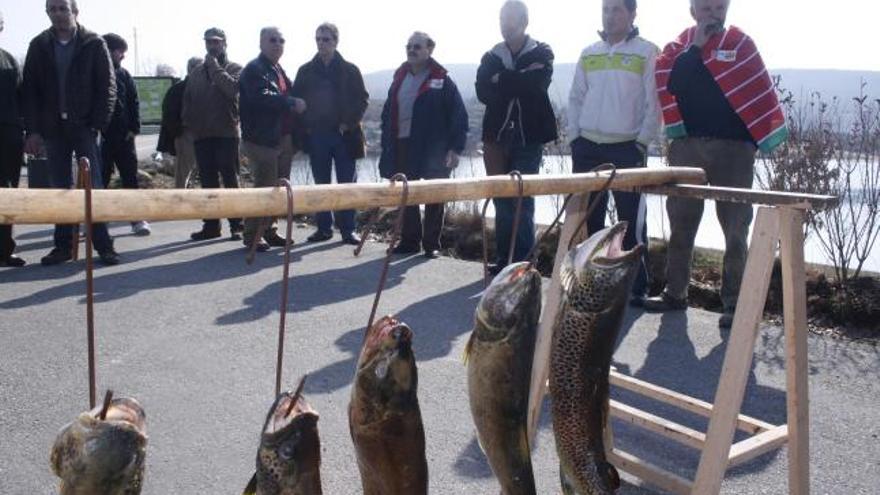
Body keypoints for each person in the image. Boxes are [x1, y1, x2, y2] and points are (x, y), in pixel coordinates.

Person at [644, 0, 787, 328]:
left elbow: (759, 94)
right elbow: (673, 85)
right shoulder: (679, 48)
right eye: (706, 7)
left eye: (720, 7)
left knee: (735, 228)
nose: (714, 13)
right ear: (693, 10)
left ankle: (735, 303)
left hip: (733, 150)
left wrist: (751, 142)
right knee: (681, 223)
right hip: (688, 147)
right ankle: (675, 293)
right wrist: (697, 47)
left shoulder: (741, 44)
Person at [566, 0, 659, 305]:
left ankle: (635, 285)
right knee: (588, 221)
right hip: (588, 147)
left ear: (632, 15)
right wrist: (575, 138)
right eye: (606, 9)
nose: (610, 15)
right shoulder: (589, 52)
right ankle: (592, 282)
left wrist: (642, 142)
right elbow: (576, 97)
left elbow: (653, 101)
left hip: (627, 147)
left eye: (617, 9)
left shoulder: (646, 51)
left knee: (630, 220)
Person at [22, 0, 120, 266]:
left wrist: (98, 124)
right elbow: (29, 91)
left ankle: (104, 246)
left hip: (85, 126)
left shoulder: (93, 43)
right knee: (59, 189)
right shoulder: (39, 45)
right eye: (52, 9)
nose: (57, 13)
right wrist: (32, 130)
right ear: (47, 14)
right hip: (53, 129)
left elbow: (107, 87)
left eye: (62, 8)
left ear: (75, 11)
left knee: (94, 187)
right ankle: (62, 247)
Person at [476, 0, 558, 274]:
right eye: (501, 20)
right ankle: (504, 260)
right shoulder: (491, 55)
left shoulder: (543, 51)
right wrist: (517, 78)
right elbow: (483, 92)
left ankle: (522, 262)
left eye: (510, 20)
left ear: (524, 22)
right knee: (501, 197)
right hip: (496, 139)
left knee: (523, 199)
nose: (504, 26)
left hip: (528, 137)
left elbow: (537, 85)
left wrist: (502, 79)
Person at [378, 31, 468, 259]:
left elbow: (459, 115)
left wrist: (455, 148)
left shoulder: (442, 79)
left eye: (417, 46)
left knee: (434, 195)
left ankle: (431, 244)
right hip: (402, 144)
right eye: (409, 46)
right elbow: (388, 112)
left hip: (434, 147)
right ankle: (409, 241)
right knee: (406, 193)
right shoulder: (399, 78)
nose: (412, 50)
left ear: (429, 50)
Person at [291, 23, 369, 245]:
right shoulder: (305, 70)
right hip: (317, 135)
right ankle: (324, 228)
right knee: (321, 184)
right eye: (318, 39)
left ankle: (348, 230)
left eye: (326, 39)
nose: (321, 43)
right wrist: (306, 127)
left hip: (344, 135)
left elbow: (362, 100)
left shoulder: (350, 70)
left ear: (336, 41)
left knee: (347, 184)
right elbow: (297, 101)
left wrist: (349, 124)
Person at [239, 27, 306, 252]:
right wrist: (290, 102)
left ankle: (269, 230)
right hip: (262, 140)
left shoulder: (277, 69)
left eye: (281, 40)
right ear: (261, 43)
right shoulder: (254, 69)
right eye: (272, 40)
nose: (278, 44)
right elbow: (260, 98)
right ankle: (252, 235)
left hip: (282, 138)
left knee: (278, 187)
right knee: (264, 188)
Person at [183, 27, 243, 241]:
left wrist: (215, 67)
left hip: (226, 135)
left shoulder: (235, 68)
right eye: (209, 42)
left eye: (216, 42)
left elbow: (232, 90)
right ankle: (211, 225)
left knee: (231, 181)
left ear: (225, 43)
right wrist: (190, 126)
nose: (212, 45)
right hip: (202, 137)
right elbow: (188, 101)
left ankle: (237, 225)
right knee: (207, 183)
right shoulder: (196, 72)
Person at [101, 32, 150, 236]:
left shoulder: (125, 75)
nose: (123, 56)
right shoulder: (95, 73)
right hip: (101, 137)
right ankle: (95, 221)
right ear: (108, 51)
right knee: (99, 181)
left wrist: (134, 129)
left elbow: (134, 102)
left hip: (124, 138)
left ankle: (137, 219)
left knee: (130, 179)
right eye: (120, 52)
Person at [0, 10, 25, 267]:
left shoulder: (8, 60)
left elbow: (22, 99)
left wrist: (28, 133)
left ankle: (5, 250)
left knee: (7, 192)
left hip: (9, 134)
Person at [157, 56, 201, 189]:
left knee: (197, 171)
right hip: (186, 134)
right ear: (190, 69)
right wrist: (179, 132)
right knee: (183, 172)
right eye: (195, 67)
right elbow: (168, 113)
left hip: (203, 134)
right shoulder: (178, 89)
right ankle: (180, 196)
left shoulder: (204, 88)